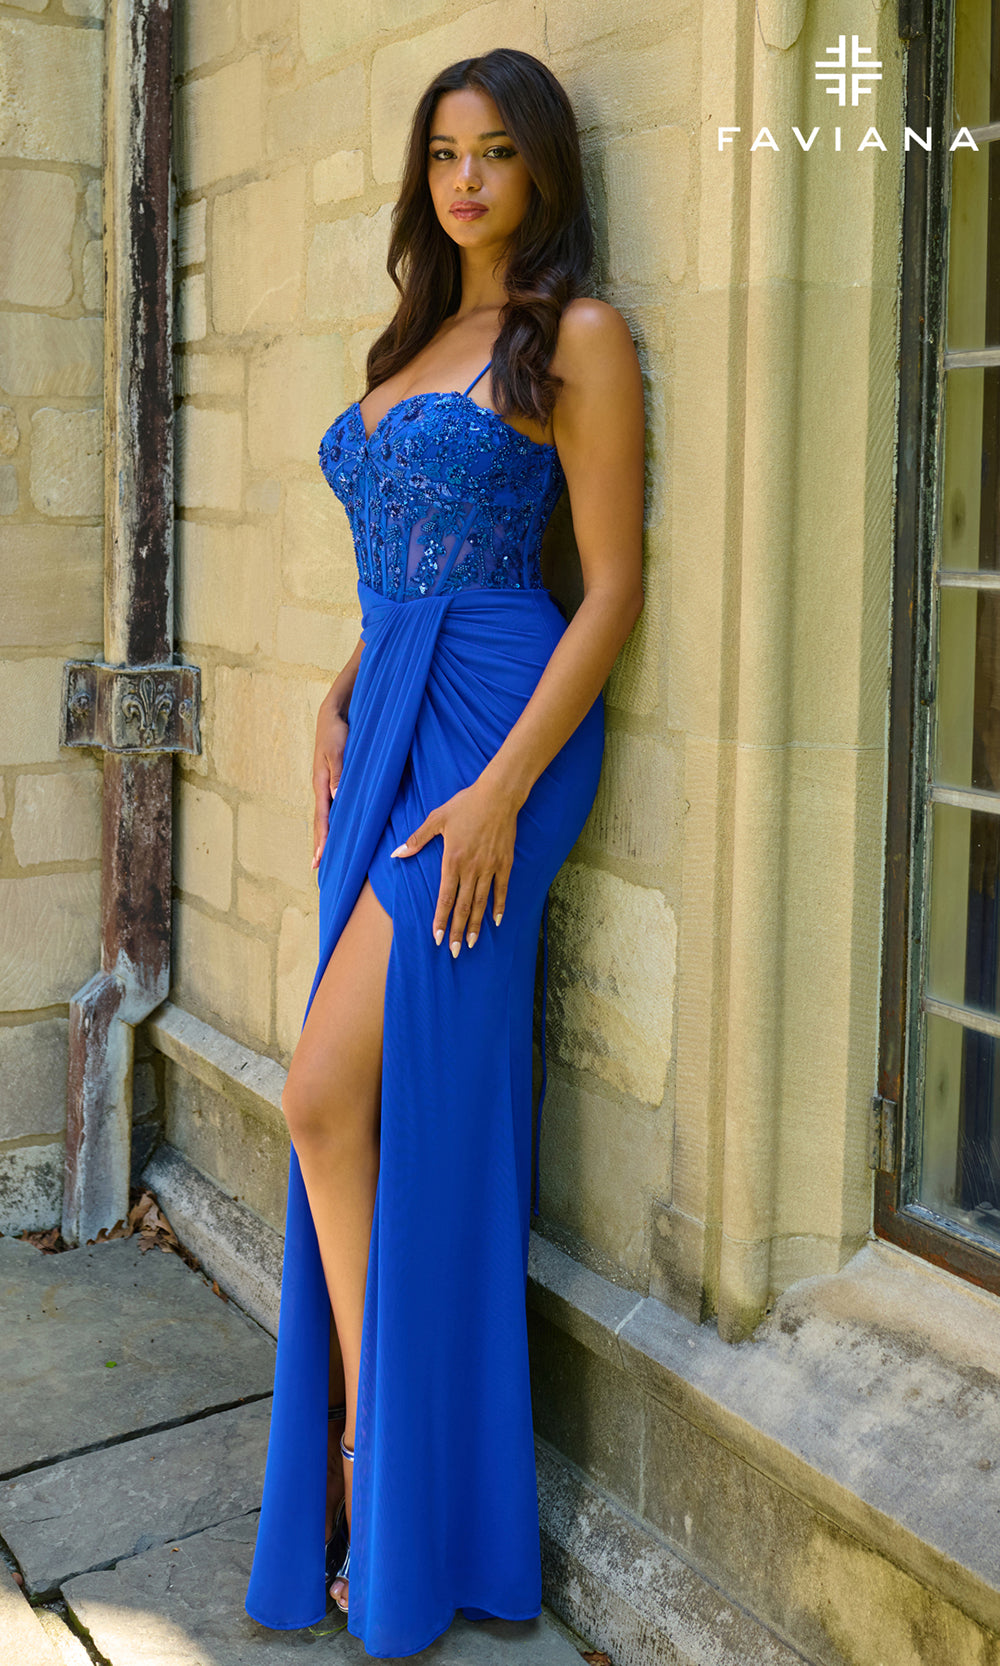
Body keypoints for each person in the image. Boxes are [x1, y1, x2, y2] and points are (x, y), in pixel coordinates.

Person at [244, 45, 645, 1659]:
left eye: (494, 153)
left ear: (541, 169)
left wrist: (494, 797)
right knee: (351, 1106)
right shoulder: (416, 341)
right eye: (442, 154)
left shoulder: (581, 337)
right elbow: (400, 561)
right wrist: (345, 686)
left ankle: (372, 1460)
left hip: (501, 732)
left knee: (327, 1090)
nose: (465, 178)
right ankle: (381, 1453)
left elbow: (607, 586)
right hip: (398, 712)